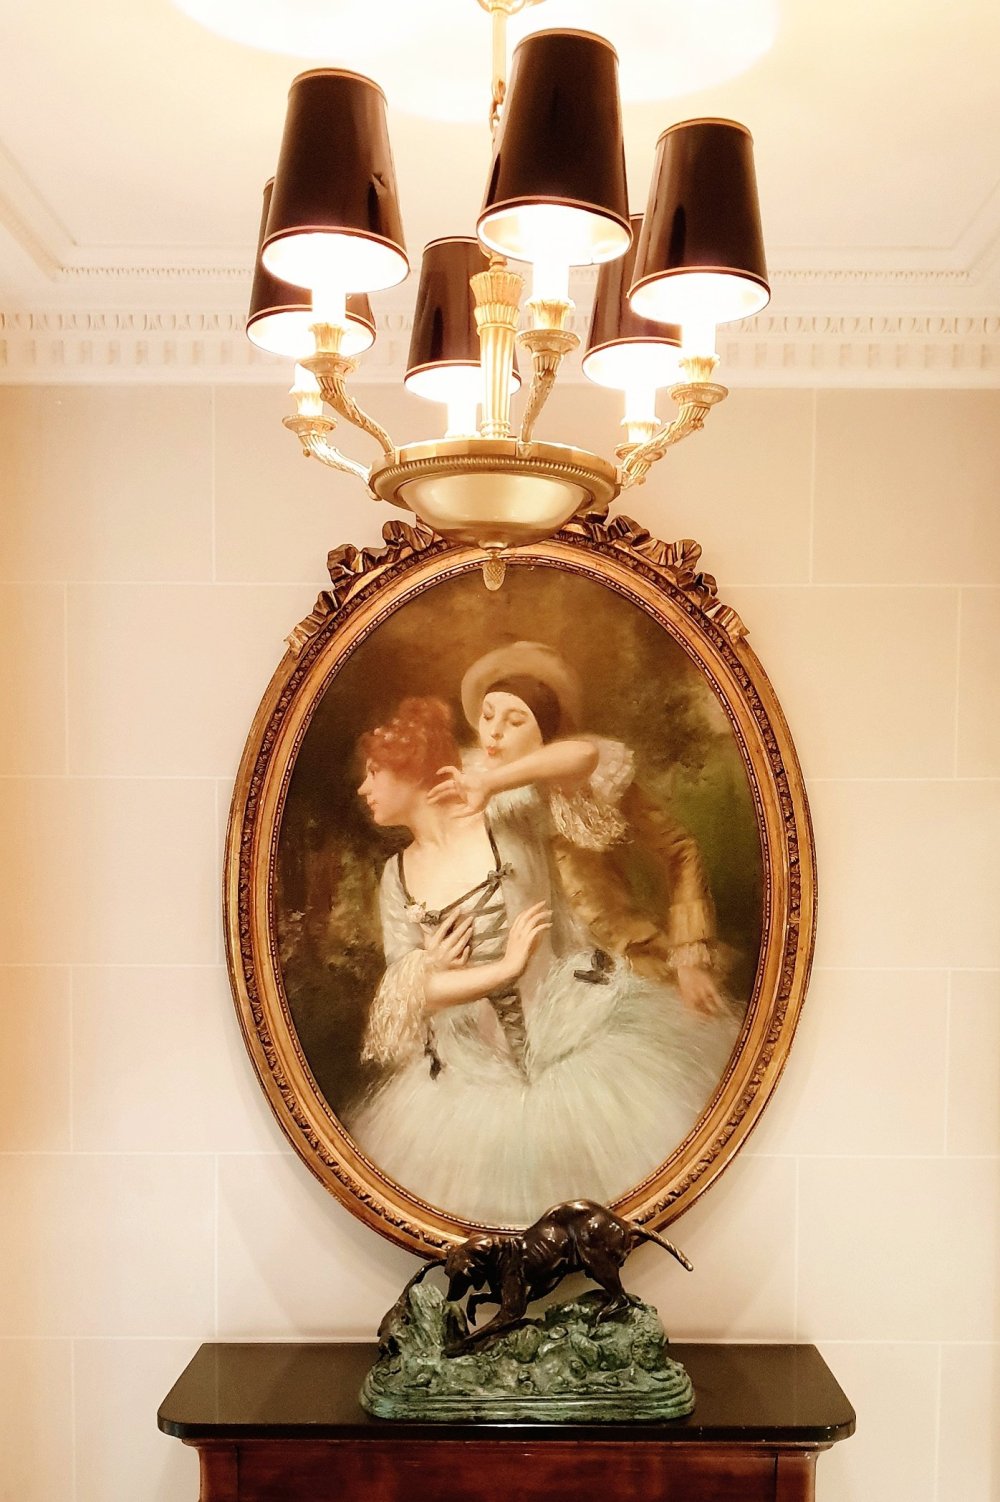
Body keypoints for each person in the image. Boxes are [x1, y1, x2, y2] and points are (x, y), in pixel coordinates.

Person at [345, 694, 739, 1227]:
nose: (364, 788)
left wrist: (489, 782)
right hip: (472, 1076)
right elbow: (410, 991)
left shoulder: (506, 814)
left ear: (411, 770)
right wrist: (500, 969)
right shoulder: (395, 877)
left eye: (374, 772)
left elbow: (582, 757)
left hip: (570, 1038)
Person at [430, 640, 728, 1015]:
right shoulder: (463, 782)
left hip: (611, 955)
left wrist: (689, 955)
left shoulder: (586, 774)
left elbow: (680, 850)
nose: (495, 732)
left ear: (545, 730)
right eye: (488, 716)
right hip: (513, 976)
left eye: (516, 721)